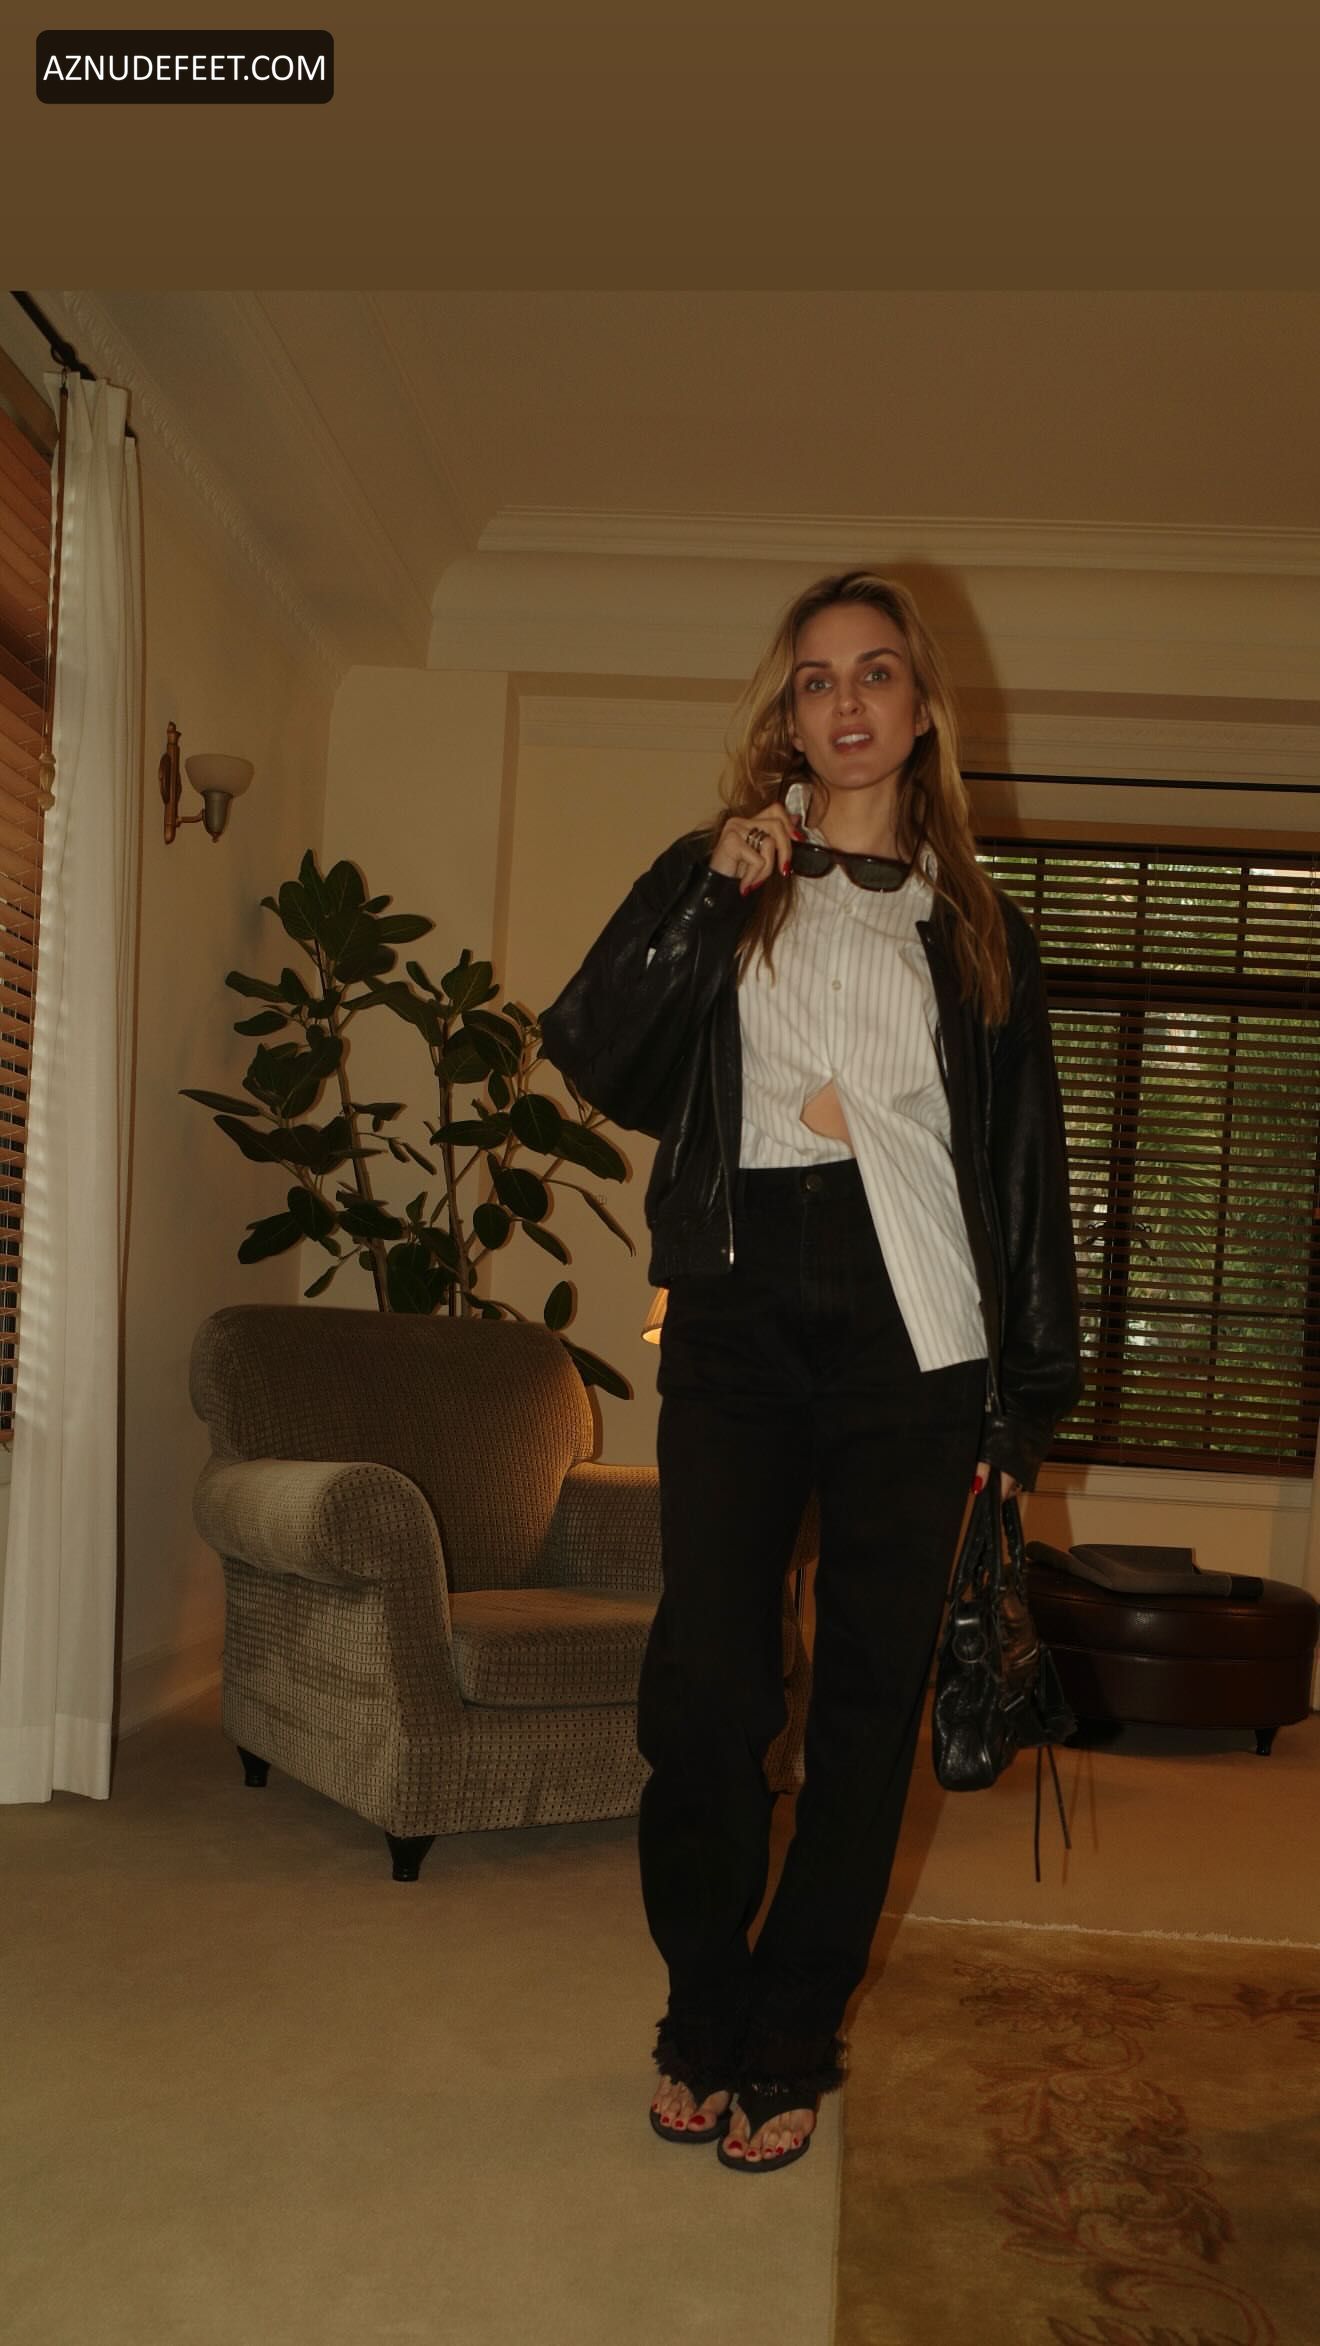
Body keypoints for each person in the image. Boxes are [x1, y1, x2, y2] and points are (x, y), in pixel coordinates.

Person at [539, 569, 1082, 2175]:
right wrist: (711, 893)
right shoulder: (720, 874)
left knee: (864, 1702)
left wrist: (1023, 1405)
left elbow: (1027, 1178)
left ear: (921, 711)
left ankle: (791, 2027)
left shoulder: (977, 931)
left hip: (921, 1324)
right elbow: (599, 1050)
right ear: (788, 715)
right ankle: (702, 2000)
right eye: (816, 678)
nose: (846, 701)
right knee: (710, 1683)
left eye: (876, 672)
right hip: (736, 1301)